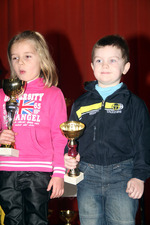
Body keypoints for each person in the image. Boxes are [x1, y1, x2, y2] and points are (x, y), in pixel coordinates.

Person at [64, 34, 150, 225]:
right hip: (87, 175)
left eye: (113, 60)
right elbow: (70, 138)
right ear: (92, 66)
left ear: (126, 67)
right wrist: (68, 156)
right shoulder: (80, 103)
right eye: (99, 60)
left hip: (123, 176)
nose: (105, 65)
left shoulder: (134, 104)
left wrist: (139, 177)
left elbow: (143, 144)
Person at [0, 30, 67, 225]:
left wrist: (59, 173)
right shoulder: (3, 94)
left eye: (27, 56)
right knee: (11, 219)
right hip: (6, 168)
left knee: (36, 219)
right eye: (15, 58)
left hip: (39, 169)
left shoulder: (53, 94)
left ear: (42, 58)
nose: (20, 62)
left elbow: (59, 136)